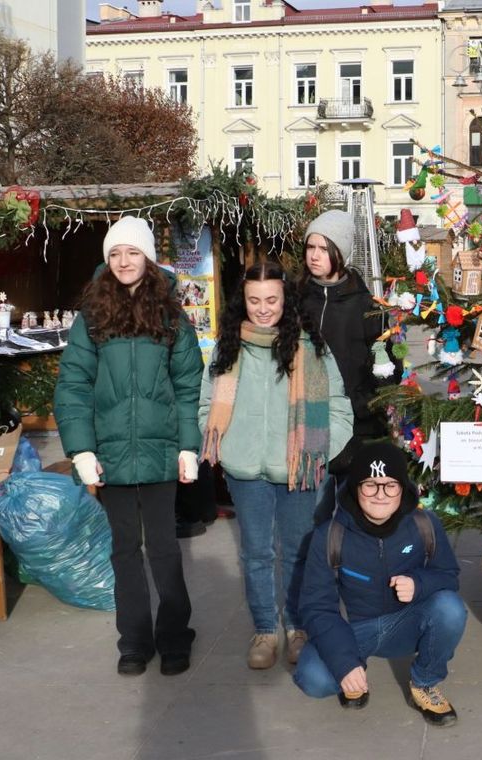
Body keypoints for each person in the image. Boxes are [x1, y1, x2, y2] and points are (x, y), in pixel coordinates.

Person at [54, 216, 203, 677]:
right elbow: (73, 386)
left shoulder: (172, 318)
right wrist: (82, 450)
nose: (123, 261)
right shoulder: (91, 318)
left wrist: (187, 448)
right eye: (115, 253)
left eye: (132, 252)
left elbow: (187, 387)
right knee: (124, 550)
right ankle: (134, 640)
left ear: (148, 258)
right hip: (111, 453)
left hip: (161, 452)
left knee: (163, 548)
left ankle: (175, 637)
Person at [198, 262, 353, 669]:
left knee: (300, 553)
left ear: (285, 299)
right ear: (242, 301)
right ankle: (266, 629)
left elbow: (339, 408)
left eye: (271, 299)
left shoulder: (311, 348)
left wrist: (316, 451)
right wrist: (227, 447)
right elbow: (205, 406)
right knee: (256, 554)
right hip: (246, 472)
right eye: (254, 300)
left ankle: (298, 628)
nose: (263, 309)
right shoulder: (227, 348)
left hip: (299, 471)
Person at [294, 442, 466, 727]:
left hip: (406, 623)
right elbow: (315, 607)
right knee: (313, 679)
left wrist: (419, 584)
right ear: (355, 487)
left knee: (450, 608)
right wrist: (345, 663)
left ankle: (424, 683)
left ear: (402, 487)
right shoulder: (329, 536)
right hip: (354, 629)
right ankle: (355, 673)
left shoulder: (425, 524)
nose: (380, 495)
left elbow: (448, 575)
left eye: (390, 485)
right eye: (370, 485)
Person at [300, 210, 396, 479]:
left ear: (340, 254)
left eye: (323, 248)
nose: (314, 255)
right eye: (310, 246)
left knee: (351, 509)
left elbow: (386, 369)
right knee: (313, 511)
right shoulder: (296, 301)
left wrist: (364, 406)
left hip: (357, 427)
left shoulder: (367, 307)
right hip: (306, 422)